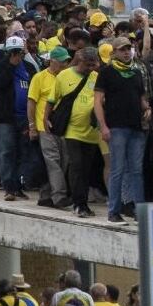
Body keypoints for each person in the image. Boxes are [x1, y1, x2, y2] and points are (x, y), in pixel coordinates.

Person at [93, 36, 149, 222]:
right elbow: (98, 101)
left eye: (128, 49)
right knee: (117, 169)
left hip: (136, 127)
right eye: (122, 49)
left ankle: (139, 209)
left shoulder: (136, 73)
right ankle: (114, 210)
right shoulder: (107, 72)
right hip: (116, 127)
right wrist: (103, 126)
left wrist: (148, 109)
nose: (126, 52)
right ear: (114, 52)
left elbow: (141, 99)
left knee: (137, 170)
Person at [44, 47, 100, 217]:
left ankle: (82, 202)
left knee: (86, 168)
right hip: (72, 131)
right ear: (79, 60)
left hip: (91, 132)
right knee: (76, 165)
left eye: (93, 65)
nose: (90, 68)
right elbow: (52, 99)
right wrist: (45, 118)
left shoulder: (96, 77)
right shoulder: (64, 76)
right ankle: (79, 203)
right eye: (87, 65)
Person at [28, 47, 71, 208]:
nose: (65, 64)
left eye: (66, 61)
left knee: (64, 161)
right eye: (62, 61)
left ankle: (46, 195)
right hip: (44, 126)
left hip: (63, 126)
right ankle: (59, 196)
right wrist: (32, 126)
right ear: (53, 61)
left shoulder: (66, 77)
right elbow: (31, 103)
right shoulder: (39, 78)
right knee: (53, 161)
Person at [0, 35, 33, 200]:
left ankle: (19, 185)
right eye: (13, 52)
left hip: (24, 117)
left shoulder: (29, 67)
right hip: (6, 117)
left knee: (22, 152)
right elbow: (0, 84)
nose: (17, 55)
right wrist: (10, 66)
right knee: (6, 151)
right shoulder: (0, 66)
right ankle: (8, 185)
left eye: (19, 52)